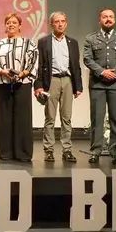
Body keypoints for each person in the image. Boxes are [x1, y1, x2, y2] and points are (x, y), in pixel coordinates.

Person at [83, 8, 116, 165]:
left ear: (115, 20)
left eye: (111, 17)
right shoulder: (91, 39)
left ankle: (115, 152)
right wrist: (102, 72)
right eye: (105, 17)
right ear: (100, 20)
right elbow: (87, 59)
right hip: (98, 84)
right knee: (97, 119)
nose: (108, 19)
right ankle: (95, 151)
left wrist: (114, 73)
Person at [34, 12, 83, 163]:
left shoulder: (72, 43)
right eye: (57, 22)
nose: (60, 24)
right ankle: (49, 150)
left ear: (66, 23)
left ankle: (66, 150)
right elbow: (40, 65)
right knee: (50, 117)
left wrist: (78, 86)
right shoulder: (43, 42)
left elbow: (76, 66)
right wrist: (38, 86)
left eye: (62, 21)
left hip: (67, 80)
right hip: (52, 81)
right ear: (51, 24)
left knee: (66, 118)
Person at [0, 13, 38, 162]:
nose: (11, 25)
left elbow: (33, 62)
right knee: (5, 118)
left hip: (22, 84)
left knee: (23, 119)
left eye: (14, 22)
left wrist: (21, 74)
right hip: (4, 84)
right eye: (8, 22)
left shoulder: (29, 43)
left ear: (20, 25)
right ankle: (6, 152)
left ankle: (23, 153)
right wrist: (3, 72)